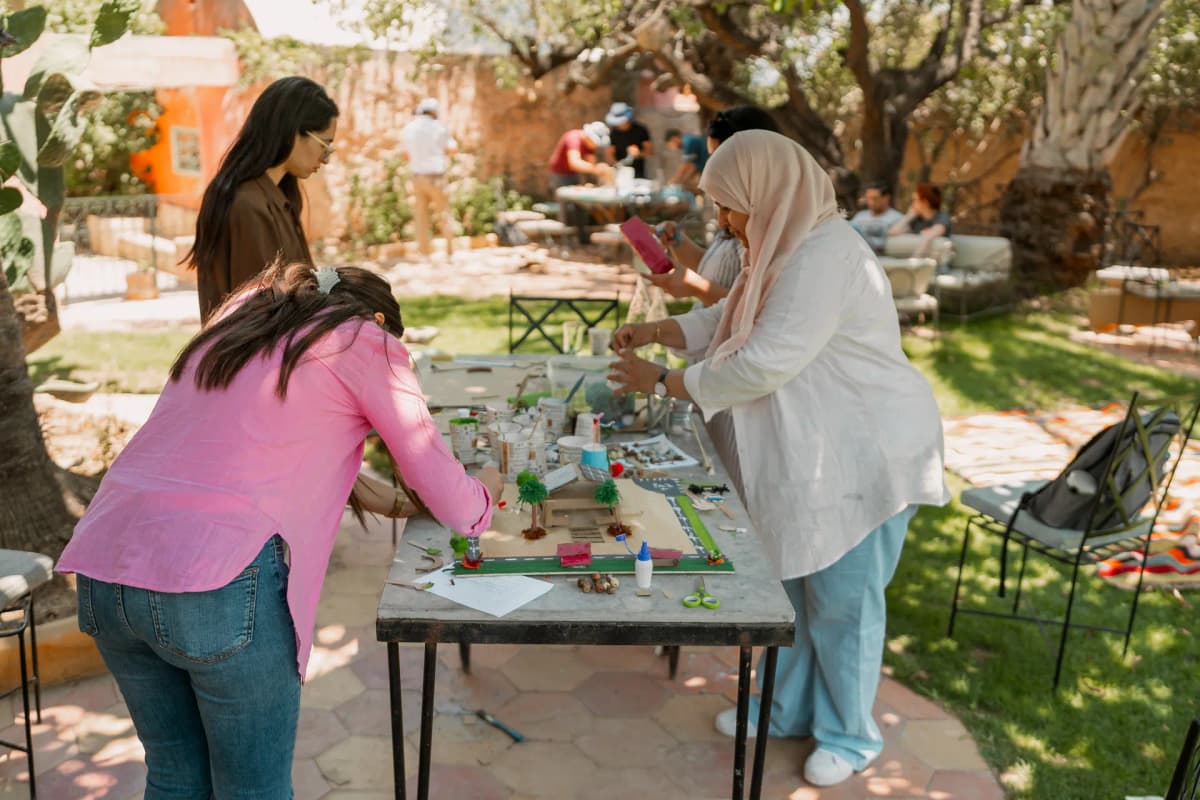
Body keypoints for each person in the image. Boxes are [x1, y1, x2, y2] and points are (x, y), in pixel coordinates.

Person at [56, 262, 504, 798]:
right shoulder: (365, 341)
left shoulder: (242, 320)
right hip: (214, 583)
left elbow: (249, 444)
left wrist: (386, 499)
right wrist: (487, 487)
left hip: (105, 566)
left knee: (175, 778)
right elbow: (454, 501)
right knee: (253, 790)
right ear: (381, 319)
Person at [606, 130, 947, 788]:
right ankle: (785, 710)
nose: (723, 221)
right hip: (817, 451)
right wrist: (658, 330)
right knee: (793, 591)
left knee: (842, 605)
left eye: (729, 206)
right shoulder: (779, 246)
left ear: (766, 195)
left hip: (867, 456)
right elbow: (729, 319)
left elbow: (764, 360)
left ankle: (849, 735)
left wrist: (664, 380)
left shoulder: (826, 256)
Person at [187, 76, 338, 324]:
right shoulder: (247, 204)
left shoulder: (277, 195)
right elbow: (263, 308)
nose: (326, 158)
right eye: (325, 144)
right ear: (294, 132)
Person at [648, 105, 781, 307]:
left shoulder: (759, 227)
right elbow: (715, 268)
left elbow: (750, 308)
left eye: (718, 157)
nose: (722, 222)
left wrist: (695, 287)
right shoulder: (736, 215)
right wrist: (677, 241)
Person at [400, 98, 459, 257]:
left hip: (417, 177)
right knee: (444, 214)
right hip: (436, 177)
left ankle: (424, 253)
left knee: (421, 217)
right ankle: (450, 251)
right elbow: (453, 149)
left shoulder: (409, 128)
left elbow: (405, 155)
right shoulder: (439, 127)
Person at [548, 121, 612, 244]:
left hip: (574, 174)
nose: (596, 146)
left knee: (580, 206)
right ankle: (565, 241)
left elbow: (590, 163)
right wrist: (596, 169)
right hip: (560, 175)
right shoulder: (573, 138)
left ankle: (583, 239)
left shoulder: (589, 145)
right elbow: (575, 162)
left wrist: (595, 176)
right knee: (566, 207)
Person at [889, 182, 952, 256]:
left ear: (925, 203)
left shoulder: (942, 217)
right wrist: (908, 217)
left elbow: (928, 238)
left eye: (914, 200)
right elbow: (893, 232)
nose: (912, 204)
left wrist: (914, 260)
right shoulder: (916, 219)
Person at [849, 181, 904, 253]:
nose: (871, 202)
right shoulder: (860, 216)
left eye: (875, 198)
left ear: (886, 198)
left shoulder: (897, 218)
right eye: (868, 198)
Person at [604, 102, 653, 178]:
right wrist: (616, 165)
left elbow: (649, 150)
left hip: (638, 173)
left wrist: (639, 154)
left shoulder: (640, 130)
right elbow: (609, 153)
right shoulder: (613, 133)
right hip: (620, 173)